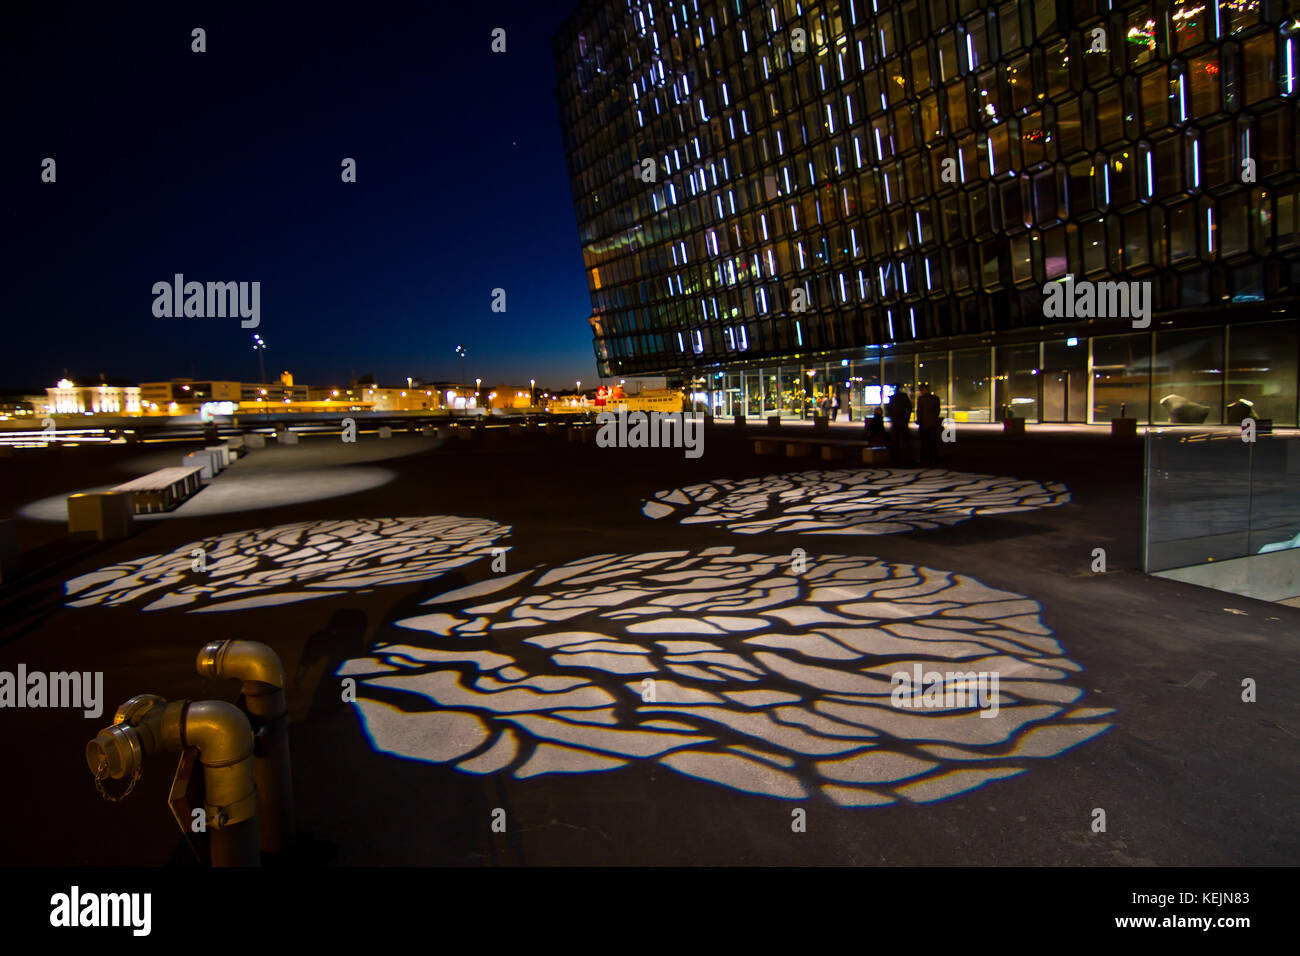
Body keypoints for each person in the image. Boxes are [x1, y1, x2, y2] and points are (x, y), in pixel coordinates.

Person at [886, 384, 913, 464]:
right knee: (905, 439)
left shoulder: (893, 397)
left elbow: (889, 409)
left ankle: (896, 457)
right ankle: (906, 456)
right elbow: (909, 407)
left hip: (896, 420)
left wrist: (891, 417)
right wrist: (907, 417)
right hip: (903, 420)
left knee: (896, 440)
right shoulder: (904, 396)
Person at [916, 383, 941, 465]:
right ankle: (934, 458)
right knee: (933, 442)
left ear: (923, 390)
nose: (920, 392)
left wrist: (919, 420)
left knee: (924, 442)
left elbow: (919, 411)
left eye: (920, 390)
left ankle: (924, 459)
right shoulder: (936, 398)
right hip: (933, 423)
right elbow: (938, 410)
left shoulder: (921, 399)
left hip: (924, 424)